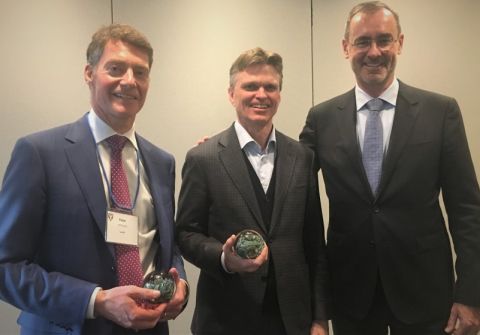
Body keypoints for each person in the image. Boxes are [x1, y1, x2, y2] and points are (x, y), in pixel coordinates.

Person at [300, 1, 480, 334]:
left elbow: (467, 210)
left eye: (384, 40)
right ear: (345, 48)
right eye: (362, 41)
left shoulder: (440, 112)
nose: (374, 51)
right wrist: (233, 155)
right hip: (350, 293)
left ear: (400, 43)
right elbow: (290, 181)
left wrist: (472, 294)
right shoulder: (322, 119)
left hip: (426, 291)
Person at [0, 24, 188, 334]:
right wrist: (95, 300)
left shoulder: (161, 161)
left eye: (140, 72)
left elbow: (163, 246)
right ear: (89, 73)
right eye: (116, 68)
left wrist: (178, 279)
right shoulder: (39, 153)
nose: (129, 80)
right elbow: (6, 267)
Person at [176, 47, 330, 335]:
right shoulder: (203, 158)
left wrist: (320, 318)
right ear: (232, 94)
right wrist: (224, 259)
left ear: (279, 95)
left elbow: (314, 245)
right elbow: (185, 233)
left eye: (270, 87)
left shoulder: (302, 157)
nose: (261, 94)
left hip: (292, 321)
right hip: (225, 319)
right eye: (250, 86)